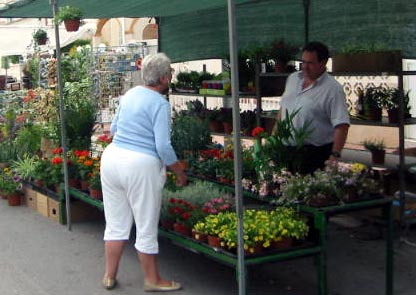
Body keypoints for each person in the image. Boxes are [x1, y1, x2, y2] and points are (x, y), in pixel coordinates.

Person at [100, 53, 186, 292]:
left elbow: (114, 128)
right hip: (140, 165)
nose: (171, 77)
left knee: (116, 223)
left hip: (113, 158)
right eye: (170, 73)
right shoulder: (160, 103)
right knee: (146, 224)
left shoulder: (130, 94)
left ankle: (109, 275)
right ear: (163, 78)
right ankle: (152, 279)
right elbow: (162, 146)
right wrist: (179, 172)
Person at [277, 41, 350, 174]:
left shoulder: (332, 89)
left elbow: (342, 125)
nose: (305, 67)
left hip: (314, 154)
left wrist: (335, 156)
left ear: (323, 63)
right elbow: (282, 110)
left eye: (310, 63)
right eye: (303, 62)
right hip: (286, 151)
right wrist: (273, 139)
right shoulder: (293, 79)